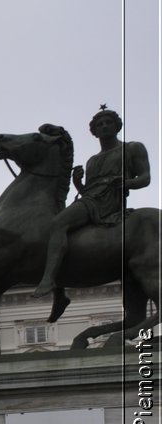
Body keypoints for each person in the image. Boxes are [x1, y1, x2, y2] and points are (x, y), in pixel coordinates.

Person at [34, 106, 152, 297]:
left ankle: (49, 280)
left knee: (58, 223)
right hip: (91, 201)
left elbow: (145, 178)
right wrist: (78, 183)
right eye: (100, 124)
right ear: (94, 131)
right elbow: (89, 192)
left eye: (108, 122)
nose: (104, 126)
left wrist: (126, 183)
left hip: (110, 202)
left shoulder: (132, 148)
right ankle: (60, 288)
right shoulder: (92, 161)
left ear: (117, 126)